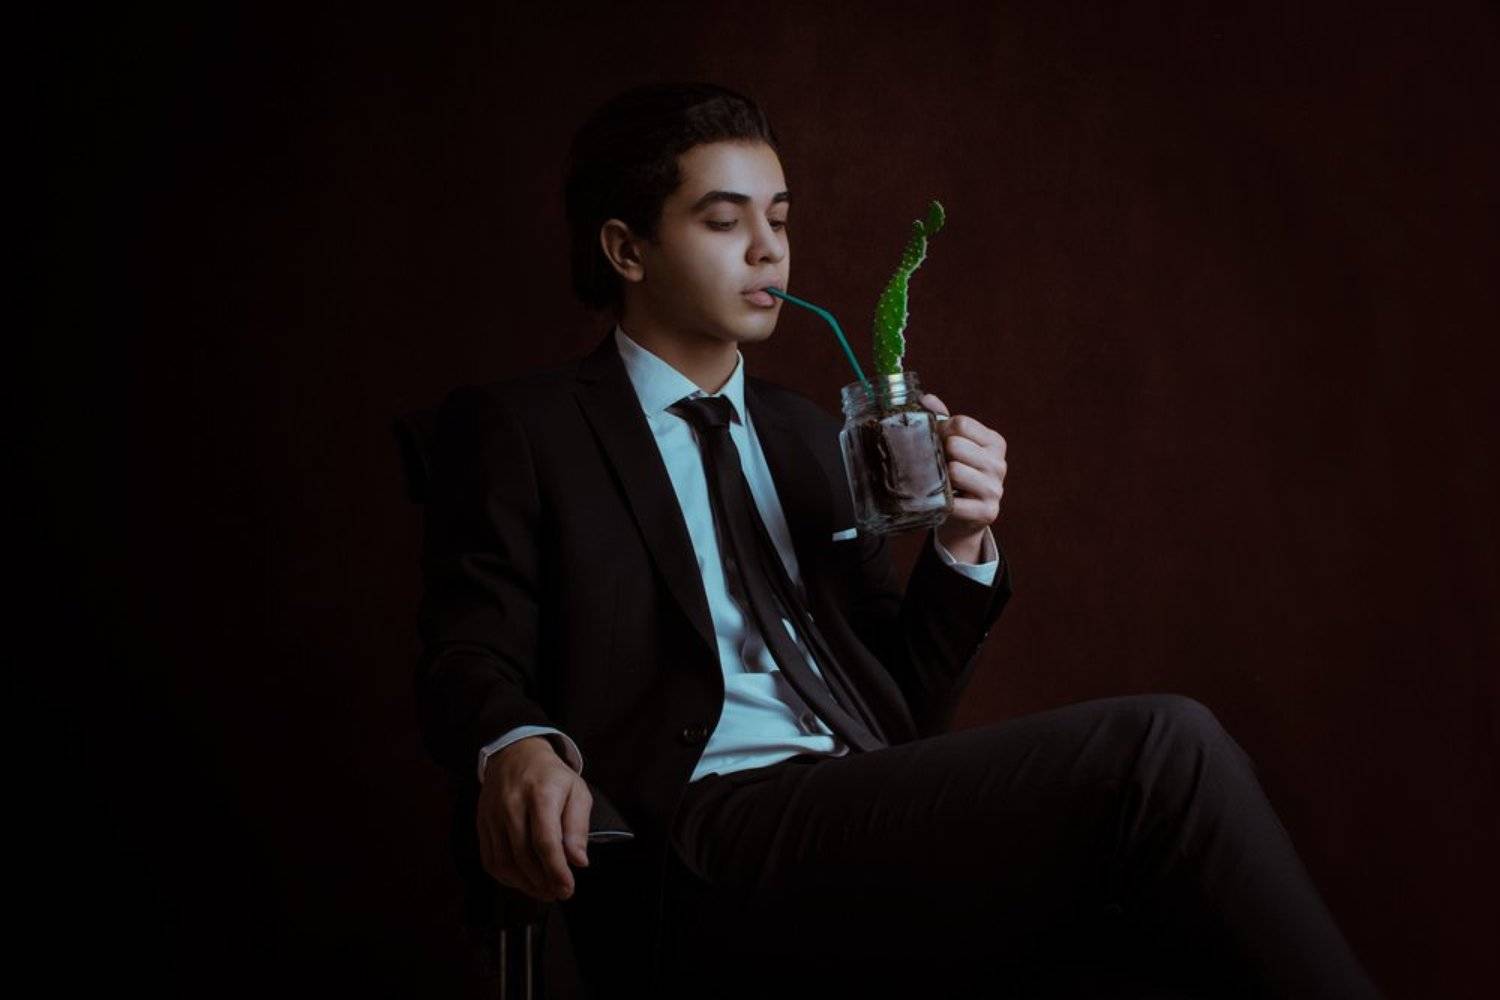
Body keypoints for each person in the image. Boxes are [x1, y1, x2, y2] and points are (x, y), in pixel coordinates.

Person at [414, 82, 1384, 998]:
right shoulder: (528, 428)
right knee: (1162, 747)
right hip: (691, 833)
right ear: (627, 250)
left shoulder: (810, 435)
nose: (767, 250)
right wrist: (518, 744)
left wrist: (963, 540)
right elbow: (469, 647)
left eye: (779, 218)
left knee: (1135, 880)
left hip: (851, 805)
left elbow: (903, 700)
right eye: (724, 221)